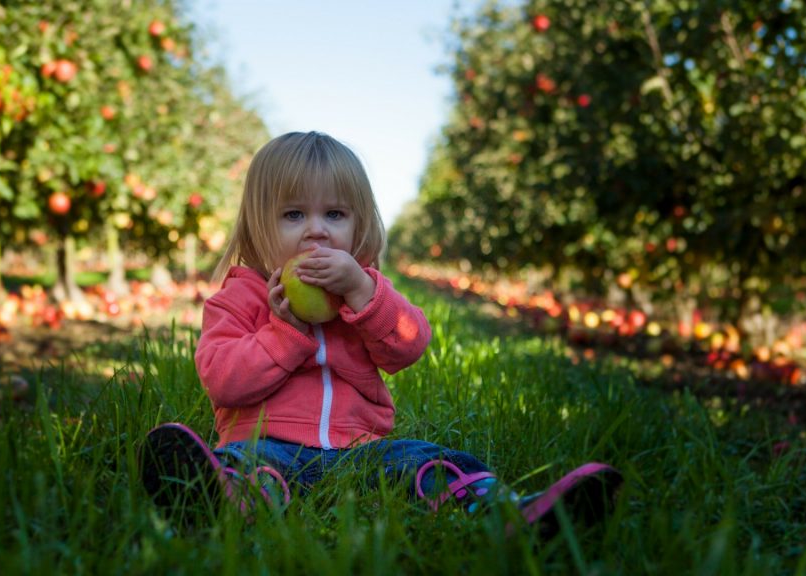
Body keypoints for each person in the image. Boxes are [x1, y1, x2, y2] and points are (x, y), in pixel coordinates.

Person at [141, 131, 622, 532]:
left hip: (360, 451)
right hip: (266, 442)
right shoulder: (237, 300)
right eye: (293, 215)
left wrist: (364, 295)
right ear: (257, 224)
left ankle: (513, 514)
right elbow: (224, 381)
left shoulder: (365, 291)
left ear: (358, 223)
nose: (316, 232)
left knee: (432, 462)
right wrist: (284, 331)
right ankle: (218, 497)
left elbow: (409, 346)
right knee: (248, 466)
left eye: (335, 215)